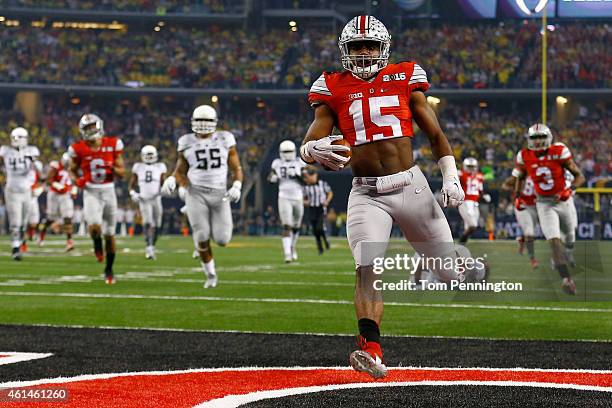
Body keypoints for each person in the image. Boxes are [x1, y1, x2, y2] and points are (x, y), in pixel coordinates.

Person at [301, 15, 484, 379]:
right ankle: (370, 346)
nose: (365, 52)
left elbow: (434, 134)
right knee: (366, 264)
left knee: (448, 275)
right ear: (345, 51)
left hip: (411, 186)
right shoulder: (332, 86)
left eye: (370, 46)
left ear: (383, 49)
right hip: (367, 193)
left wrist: (451, 177)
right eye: (357, 46)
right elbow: (313, 139)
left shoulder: (405, 75)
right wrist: (310, 151)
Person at [161, 105, 243, 288]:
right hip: (196, 193)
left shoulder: (225, 138)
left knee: (222, 239)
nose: (203, 124)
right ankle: (211, 275)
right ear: (192, 122)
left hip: (220, 193)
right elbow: (180, 171)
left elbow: (236, 167)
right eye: (199, 120)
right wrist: (174, 181)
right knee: (202, 234)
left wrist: (237, 185)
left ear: (215, 122)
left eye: (206, 120)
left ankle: (197, 229)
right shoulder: (186, 141)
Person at [513, 123, 584, 294]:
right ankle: (567, 279)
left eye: (541, 137)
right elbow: (520, 177)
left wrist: (570, 190)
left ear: (549, 138)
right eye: (534, 138)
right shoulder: (524, 155)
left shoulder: (559, 151)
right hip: (544, 203)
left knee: (570, 237)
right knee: (553, 240)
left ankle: (568, 252)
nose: (537, 142)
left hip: (563, 200)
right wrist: (517, 196)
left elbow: (579, 176)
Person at [68, 113, 125, 284]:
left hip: (108, 191)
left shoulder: (113, 144)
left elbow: (122, 172)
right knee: (93, 227)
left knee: (110, 234)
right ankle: (96, 245)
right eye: (87, 128)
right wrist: (77, 180)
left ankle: (109, 269)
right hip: (91, 191)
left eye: (93, 126)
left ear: (99, 125)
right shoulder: (78, 148)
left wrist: (113, 168)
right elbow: (71, 170)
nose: (91, 130)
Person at [0, 127, 40, 260]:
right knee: (15, 221)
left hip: (26, 190)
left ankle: (21, 241)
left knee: (23, 222)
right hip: (12, 190)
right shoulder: (6, 151)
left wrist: (34, 160)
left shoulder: (32, 151)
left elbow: (38, 168)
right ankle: (15, 247)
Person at [268, 140, 306, 262]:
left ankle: (292, 247)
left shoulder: (299, 162)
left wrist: (296, 176)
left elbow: (306, 182)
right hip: (284, 196)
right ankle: (287, 254)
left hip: (298, 197)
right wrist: (272, 178)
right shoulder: (277, 163)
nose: (287, 154)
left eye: (289, 151)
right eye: (285, 152)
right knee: (286, 226)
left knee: (296, 226)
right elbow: (270, 177)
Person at [129, 145, 167, 260]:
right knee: (148, 222)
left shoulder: (160, 166)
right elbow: (131, 184)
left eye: (151, 155)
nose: (149, 157)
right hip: (144, 199)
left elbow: (163, 183)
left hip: (156, 199)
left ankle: (152, 245)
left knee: (158, 225)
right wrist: (132, 193)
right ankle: (149, 246)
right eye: (148, 155)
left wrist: (164, 190)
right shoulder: (138, 167)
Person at [502, 173, 539, 269]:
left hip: (537, 207)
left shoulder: (540, 173)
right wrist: (514, 190)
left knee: (530, 231)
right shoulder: (520, 175)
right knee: (529, 233)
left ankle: (522, 240)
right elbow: (505, 185)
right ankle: (532, 259)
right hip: (522, 206)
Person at [42, 153, 77, 251]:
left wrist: (74, 190)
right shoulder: (56, 166)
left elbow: (74, 181)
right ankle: (42, 234)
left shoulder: (71, 169)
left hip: (65, 195)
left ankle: (69, 242)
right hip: (54, 195)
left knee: (68, 218)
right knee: (50, 218)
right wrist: (58, 185)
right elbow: (48, 180)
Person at [457, 157, 491, 244]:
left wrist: (484, 196)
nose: (471, 168)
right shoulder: (461, 174)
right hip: (464, 202)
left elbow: (480, 189)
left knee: (470, 226)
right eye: (469, 166)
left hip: (475, 203)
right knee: (473, 225)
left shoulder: (479, 176)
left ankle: (461, 247)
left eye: (473, 166)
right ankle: (461, 241)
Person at [302, 166, 333, 254]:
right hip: (311, 209)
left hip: (321, 208)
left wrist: (327, 201)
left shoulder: (322, 184)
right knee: (315, 230)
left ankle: (325, 241)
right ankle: (320, 248)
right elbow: (303, 198)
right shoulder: (305, 188)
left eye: (312, 175)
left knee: (319, 227)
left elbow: (330, 193)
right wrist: (304, 202)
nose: (310, 177)